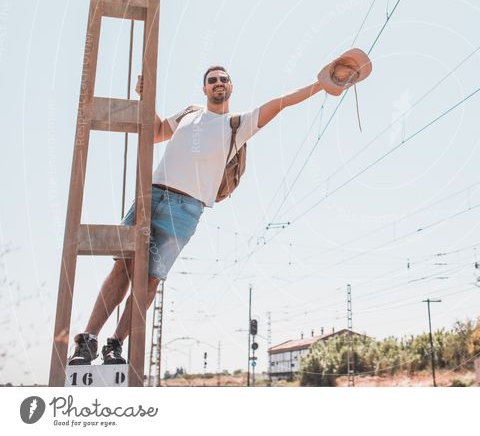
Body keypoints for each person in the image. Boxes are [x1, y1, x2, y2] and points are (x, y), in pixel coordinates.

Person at [67, 65, 324, 365]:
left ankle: (115, 344)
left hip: (186, 209)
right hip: (150, 196)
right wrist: (145, 96)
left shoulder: (237, 125)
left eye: (223, 79)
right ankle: (88, 341)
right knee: (123, 269)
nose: (218, 83)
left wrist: (319, 86)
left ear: (231, 87)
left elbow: (280, 103)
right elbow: (158, 131)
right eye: (212, 80)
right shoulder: (190, 113)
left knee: (149, 281)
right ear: (204, 89)